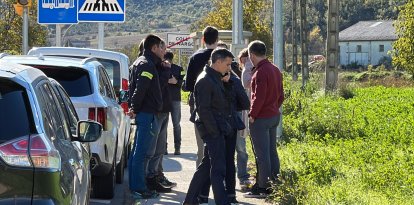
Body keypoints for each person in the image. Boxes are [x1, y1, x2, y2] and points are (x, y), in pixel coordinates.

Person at [183, 48, 235, 205]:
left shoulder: (215, 77)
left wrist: (227, 83)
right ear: (218, 62)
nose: (229, 68)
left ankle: (190, 201)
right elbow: (203, 110)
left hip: (217, 129)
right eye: (227, 64)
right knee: (218, 170)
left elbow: (221, 102)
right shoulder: (205, 79)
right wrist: (214, 132)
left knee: (206, 168)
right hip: (213, 131)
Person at [244, 40, 284, 198]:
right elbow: (281, 95)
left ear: (252, 54)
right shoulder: (275, 69)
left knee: (262, 155)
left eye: (249, 56)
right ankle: (274, 183)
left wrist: (253, 114)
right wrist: (274, 106)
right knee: (272, 152)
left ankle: (262, 188)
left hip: (261, 118)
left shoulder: (260, 72)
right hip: (274, 115)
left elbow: (258, 97)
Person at [128, 34, 165, 199]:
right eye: (160, 47)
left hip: (146, 112)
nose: (162, 50)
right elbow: (141, 89)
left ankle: (136, 186)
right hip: (147, 113)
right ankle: (139, 188)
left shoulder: (142, 62)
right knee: (141, 153)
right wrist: (134, 107)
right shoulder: (146, 65)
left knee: (138, 151)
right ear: (154, 48)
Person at [184, 26, 219, 167]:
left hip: (198, 104)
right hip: (219, 104)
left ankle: (201, 172)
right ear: (217, 39)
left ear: (203, 39)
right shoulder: (223, 57)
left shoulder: (195, 57)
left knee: (201, 145)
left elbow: (188, 85)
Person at [146, 40, 177, 193]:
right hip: (157, 111)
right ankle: (151, 178)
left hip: (164, 109)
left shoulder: (160, 64)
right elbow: (163, 81)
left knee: (160, 148)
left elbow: (174, 80)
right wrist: (166, 70)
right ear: (154, 48)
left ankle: (157, 175)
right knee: (153, 148)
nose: (165, 51)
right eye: (163, 48)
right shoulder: (153, 65)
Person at [236, 48, 254, 190]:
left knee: (241, 147)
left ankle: (243, 177)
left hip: (241, 114)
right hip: (233, 114)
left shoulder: (248, 70)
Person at [165, 51, 185, 155]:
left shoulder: (179, 69)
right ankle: (170, 148)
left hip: (170, 99)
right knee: (170, 125)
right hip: (170, 99)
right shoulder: (163, 68)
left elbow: (182, 82)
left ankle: (174, 148)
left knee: (173, 124)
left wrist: (175, 81)